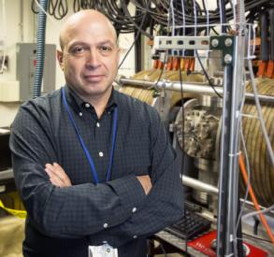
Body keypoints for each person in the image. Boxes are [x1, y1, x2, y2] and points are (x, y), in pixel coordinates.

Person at [10, 9, 184, 257]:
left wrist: (88, 220)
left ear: (116, 54)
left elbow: (169, 204)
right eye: (79, 49)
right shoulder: (35, 119)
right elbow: (48, 211)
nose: (94, 61)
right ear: (60, 58)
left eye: (104, 48)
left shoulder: (146, 118)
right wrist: (135, 187)